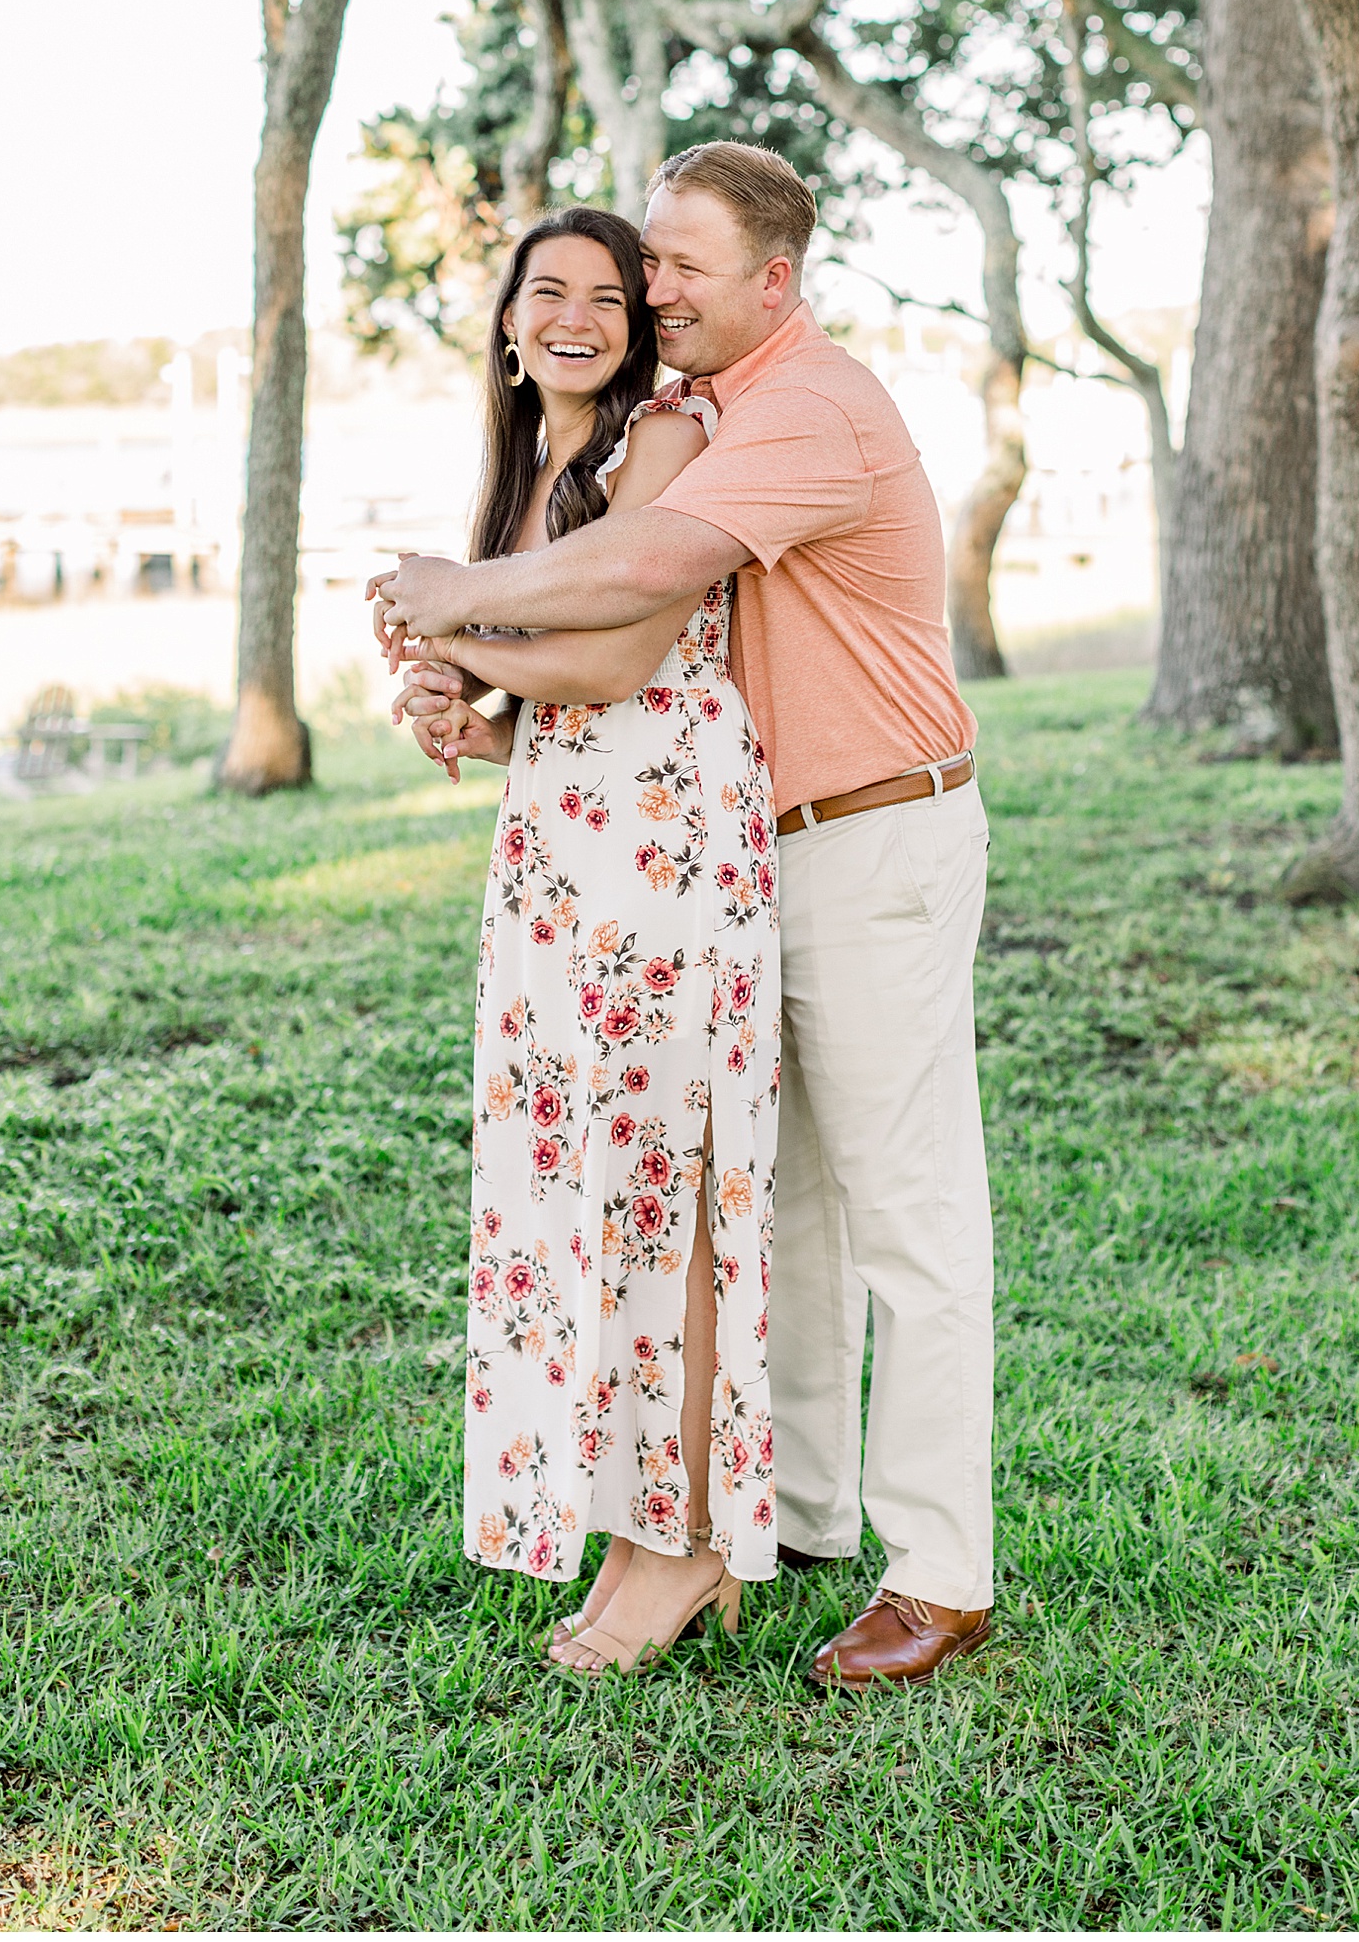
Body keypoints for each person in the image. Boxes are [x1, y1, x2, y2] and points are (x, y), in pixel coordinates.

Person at [377, 142, 993, 1692]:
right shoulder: (703, 410)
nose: (654, 290)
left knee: (904, 1208)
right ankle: (774, 1512)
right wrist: (467, 667)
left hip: (872, 831)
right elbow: (612, 653)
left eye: (678, 267)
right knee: (774, 1202)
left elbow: (648, 572)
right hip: (746, 842)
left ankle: (943, 1572)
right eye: (642, 260)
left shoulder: (801, 409)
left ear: (774, 279)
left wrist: (450, 601)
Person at [394, 205, 781, 1677]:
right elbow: (547, 708)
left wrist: (451, 632)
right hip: (562, 858)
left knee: (661, 1188)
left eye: (606, 293)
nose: (577, 314)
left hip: (668, 856)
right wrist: (462, 706)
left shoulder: (663, 438)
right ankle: (633, 1518)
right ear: (507, 320)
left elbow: (624, 655)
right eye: (545, 290)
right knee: (585, 1190)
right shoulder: (528, 474)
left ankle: (680, 1546)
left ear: (635, 324)